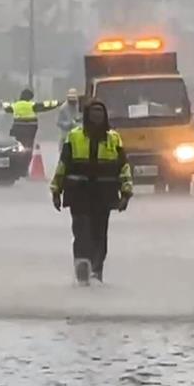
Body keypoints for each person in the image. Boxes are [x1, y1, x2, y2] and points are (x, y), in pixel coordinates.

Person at [51, 100, 133, 284]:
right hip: (78, 193)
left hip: (103, 195)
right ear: (87, 115)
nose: (97, 116)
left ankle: (96, 270)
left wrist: (126, 193)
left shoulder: (114, 139)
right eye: (94, 112)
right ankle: (82, 264)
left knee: (99, 234)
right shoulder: (73, 137)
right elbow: (63, 165)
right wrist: (56, 190)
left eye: (100, 112)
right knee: (81, 231)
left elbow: (124, 167)